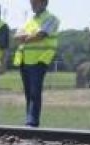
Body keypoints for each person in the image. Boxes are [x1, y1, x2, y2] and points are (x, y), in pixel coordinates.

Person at [14, 0, 60, 128]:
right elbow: (16, 37)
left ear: (45, 3)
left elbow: (41, 35)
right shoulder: (29, 20)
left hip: (39, 60)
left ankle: (31, 122)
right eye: (31, 2)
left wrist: (25, 37)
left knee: (35, 92)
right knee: (28, 93)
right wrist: (30, 36)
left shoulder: (52, 18)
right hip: (24, 60)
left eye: (36, 2)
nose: (33, 4)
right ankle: (30, 120)